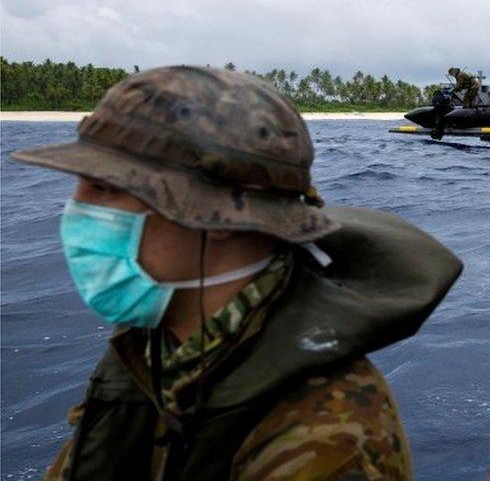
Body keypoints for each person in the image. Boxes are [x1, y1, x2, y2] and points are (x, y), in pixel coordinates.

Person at [14, 66, 464, 480]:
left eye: (106, 187)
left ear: (221, 214)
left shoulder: (325, 433)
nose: (77, 208)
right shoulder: (156, 352)